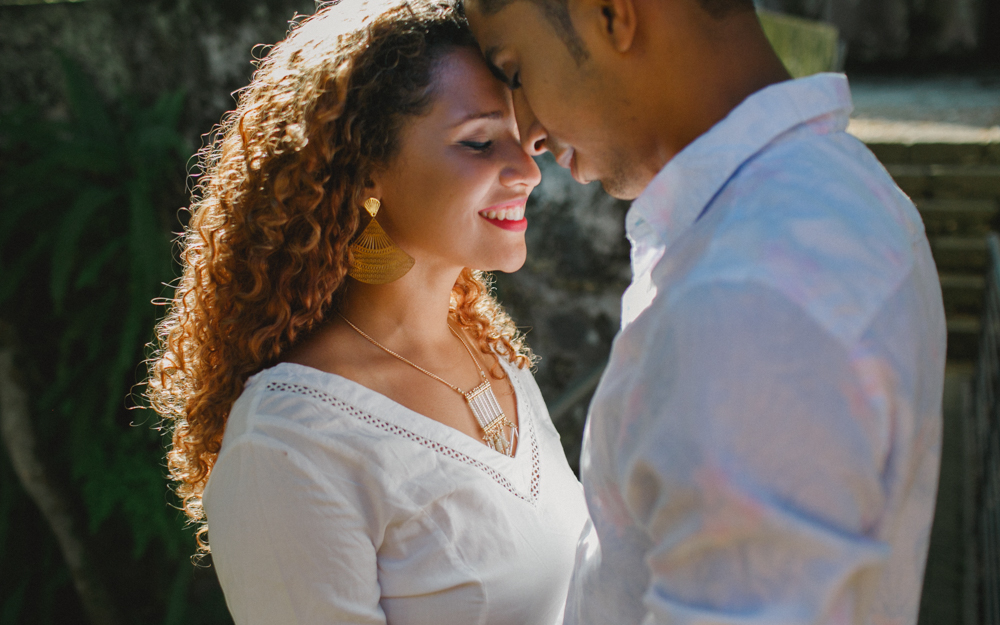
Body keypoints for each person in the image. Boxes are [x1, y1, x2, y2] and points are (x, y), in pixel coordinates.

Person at [463, 0, 946, 623]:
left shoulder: (751, 303)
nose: (524, 128)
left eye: (516, 70)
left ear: (613, 15)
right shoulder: (833, 192)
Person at [146, 1, 591, 623]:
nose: (526, 173)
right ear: (365, 172)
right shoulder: (290, 439)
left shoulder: (484, 351)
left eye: (526, 138)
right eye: (481, 142)